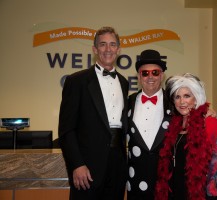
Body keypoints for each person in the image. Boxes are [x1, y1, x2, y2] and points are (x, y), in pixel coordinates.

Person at [58, 26, 128, 200]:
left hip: (117, 165)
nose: (108, 49)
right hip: (87, 168)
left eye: (112, 45)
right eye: (103, 44)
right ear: (95, 49)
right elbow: (67, 130)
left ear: (118, 50)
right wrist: (77, 165)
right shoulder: (77, 81)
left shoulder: (124, 82)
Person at [155, 73, 217, 200]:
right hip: (174, 191)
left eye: (187, 96)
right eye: (177, 97)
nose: (182, 102)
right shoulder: (174, 124)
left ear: (196, 98)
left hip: (198, 194)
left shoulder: (209, 122)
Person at [126, 49, 172, 200]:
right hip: (135, 183)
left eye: (155, 72)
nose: (150, 77)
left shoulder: (175, 103)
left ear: (162, 75)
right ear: (139, 76)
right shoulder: (127, 103)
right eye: (145, 73)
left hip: (167, 184)